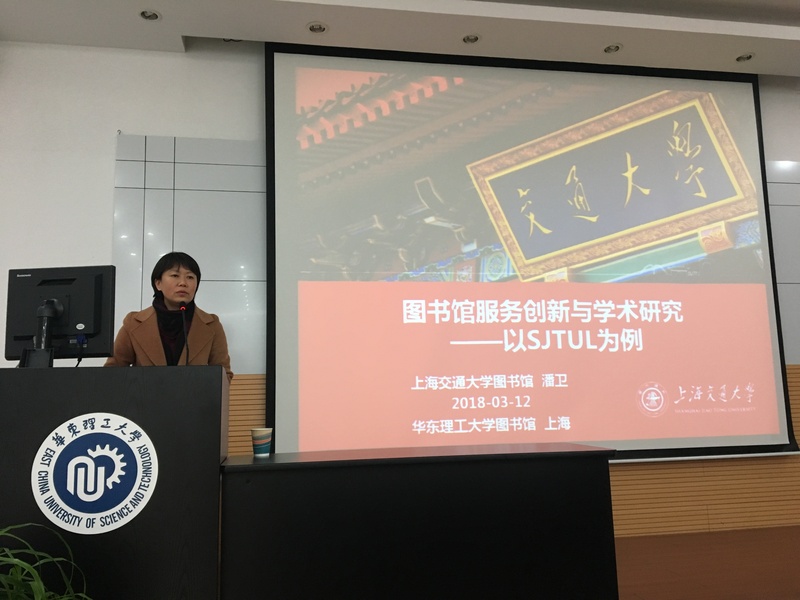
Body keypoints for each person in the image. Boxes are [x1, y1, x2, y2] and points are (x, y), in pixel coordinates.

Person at [104, 251, 233, 382]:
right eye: (175, 275)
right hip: (144, 395)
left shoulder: (212, 324)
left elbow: (224, 376)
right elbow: (112, 372)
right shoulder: (133, 322)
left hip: (194, 395)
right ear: (158, 283)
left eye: (190, 277)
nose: (183, 283)